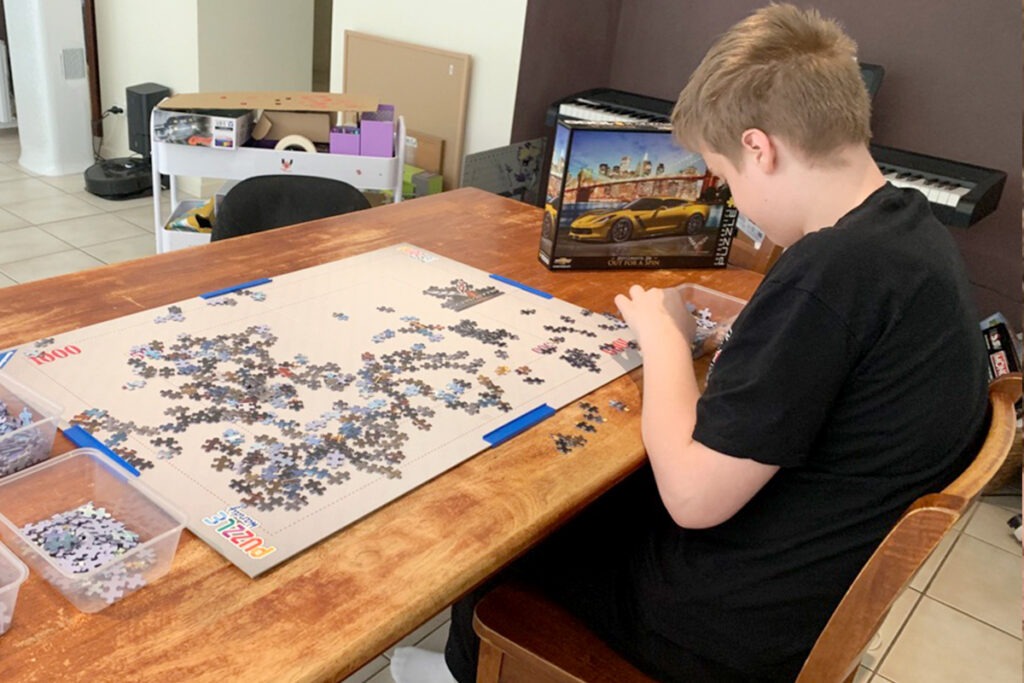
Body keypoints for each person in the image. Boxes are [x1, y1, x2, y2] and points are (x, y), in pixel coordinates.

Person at [392, 4, 989, 681]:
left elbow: (692, 497)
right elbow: (827, 358)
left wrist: (666, 340)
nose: (736, 198)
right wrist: (756, 327)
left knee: (502, 539)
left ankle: (463, 669)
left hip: (720, 626)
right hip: (789, 579)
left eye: (729, 179)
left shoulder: (829, 275)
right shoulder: (907, 235)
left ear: (760, 148)